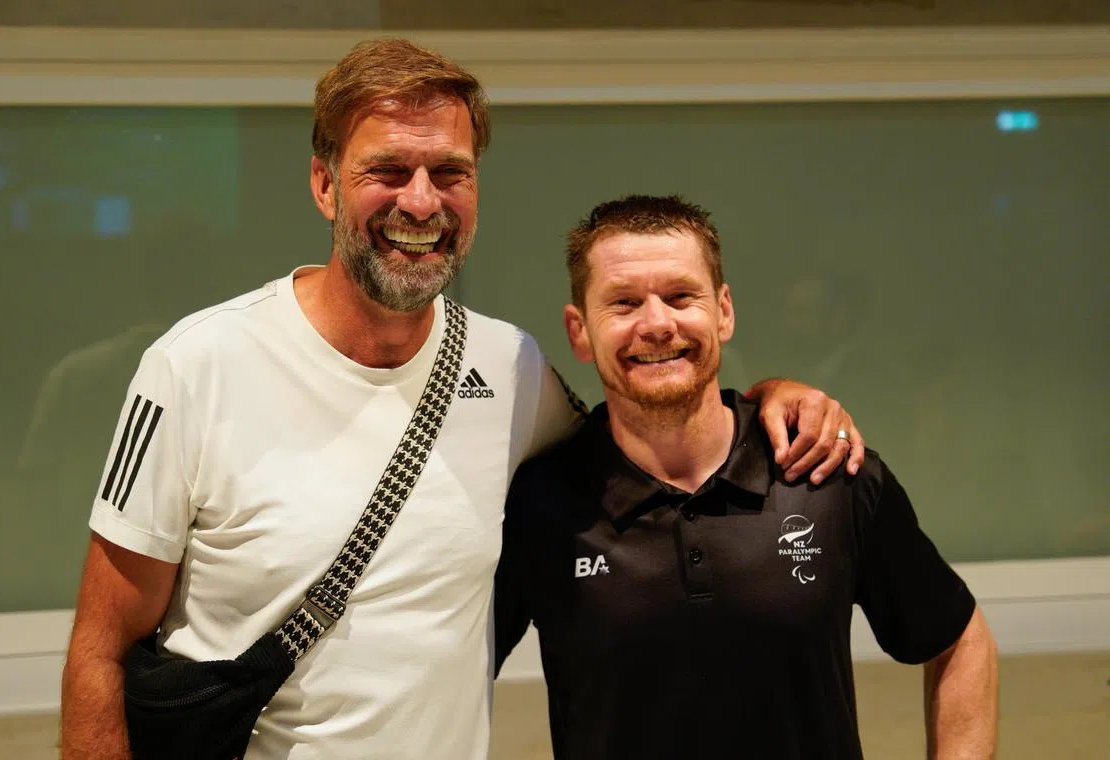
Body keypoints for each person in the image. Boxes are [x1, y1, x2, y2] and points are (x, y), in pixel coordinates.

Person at [60, 40, 864, 760]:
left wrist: (772, 399)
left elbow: (641, 434)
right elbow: (100, 650)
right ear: (324, 184)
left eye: (450, 172)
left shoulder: (509, 368)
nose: (421, 202)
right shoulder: (196, 367)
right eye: (387, 171)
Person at [493, 194, 999, 759]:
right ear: (580, 331)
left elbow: (959, 639)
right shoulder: (539, 506)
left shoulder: (823, 470)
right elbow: (445, 669)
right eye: (624, 303)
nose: (657, 324)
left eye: (681, 296)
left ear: (724, 311)